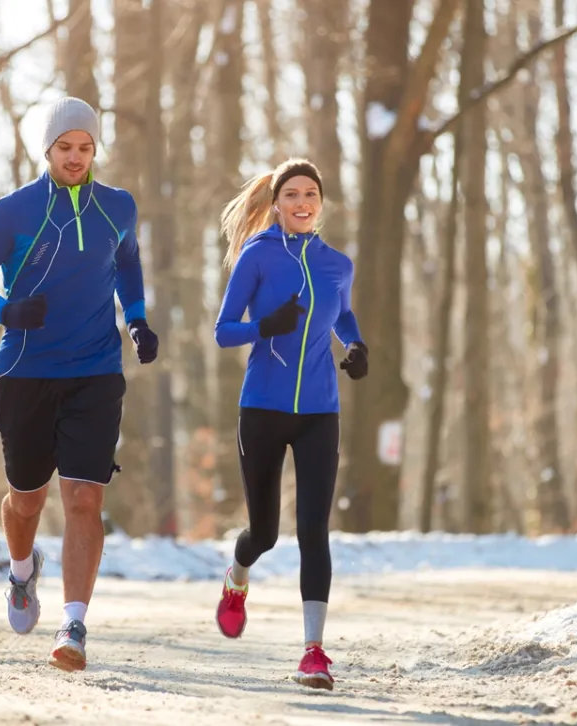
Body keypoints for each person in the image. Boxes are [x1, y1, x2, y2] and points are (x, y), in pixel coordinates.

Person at [0, 96, 159, 673]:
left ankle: (74, 625)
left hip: (95, 370)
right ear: (47, 150)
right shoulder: (14, 211)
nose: (76, 157)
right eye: (66, 147)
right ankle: (22, 573)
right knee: (26, 500)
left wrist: (138, 318)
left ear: (97, 150)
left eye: (86, 147)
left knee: (85, 497)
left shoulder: (118, 206)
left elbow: (126, 263)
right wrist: (7, 311)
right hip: (25, 372)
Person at [212, 158, 368, 690]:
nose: (303, 202)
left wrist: (357, 344)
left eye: (311, 195)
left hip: (320, 411)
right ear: (276, 203)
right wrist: (264, 326)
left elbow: (342, 314)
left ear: (320, 203)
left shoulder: (336, 264)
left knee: (314, 532)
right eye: (292, 194)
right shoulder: (256, 257)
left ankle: (314, 651)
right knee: (266, 533)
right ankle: (237, 578)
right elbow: (223, 331)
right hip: (263, 408)